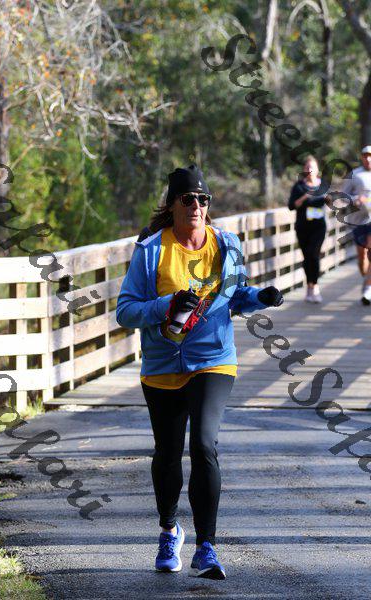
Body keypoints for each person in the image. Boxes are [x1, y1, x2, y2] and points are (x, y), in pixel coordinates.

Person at [116, 164, 284, 580]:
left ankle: (207, 547)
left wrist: (260, 297)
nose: (196, 205)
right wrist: (167, 304)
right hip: (163, 363)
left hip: (213, 358)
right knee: (167, 454)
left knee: (204, 445)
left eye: (203, 199)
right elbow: (126, 311)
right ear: (173, 204)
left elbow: (234, 296)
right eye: (188, 198)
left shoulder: (226, 244)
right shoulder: (151, 250)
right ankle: (169, 530)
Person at [288, 155, 329, 303]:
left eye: (312, 167)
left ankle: (315, 287)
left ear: (317, 170)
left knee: (314, 254)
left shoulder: (323, 185)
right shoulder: (299, 186)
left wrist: (330, 200)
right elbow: (291, 206)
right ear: (304, 170)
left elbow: (330, 202)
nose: (310, 170)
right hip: (303, 227)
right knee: (307, 257)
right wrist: (305, 196)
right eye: (307, 167)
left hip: (319, 227)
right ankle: (309, 286)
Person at [341, 146, 371, 305]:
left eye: (370, 156)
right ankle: (367, 280)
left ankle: (368, 288)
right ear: (362, 157)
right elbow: (343, 196)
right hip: (359, 221)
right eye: (365, 156)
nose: (368, 159)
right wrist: (355, 199)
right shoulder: (355, 174)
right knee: (362, 257)